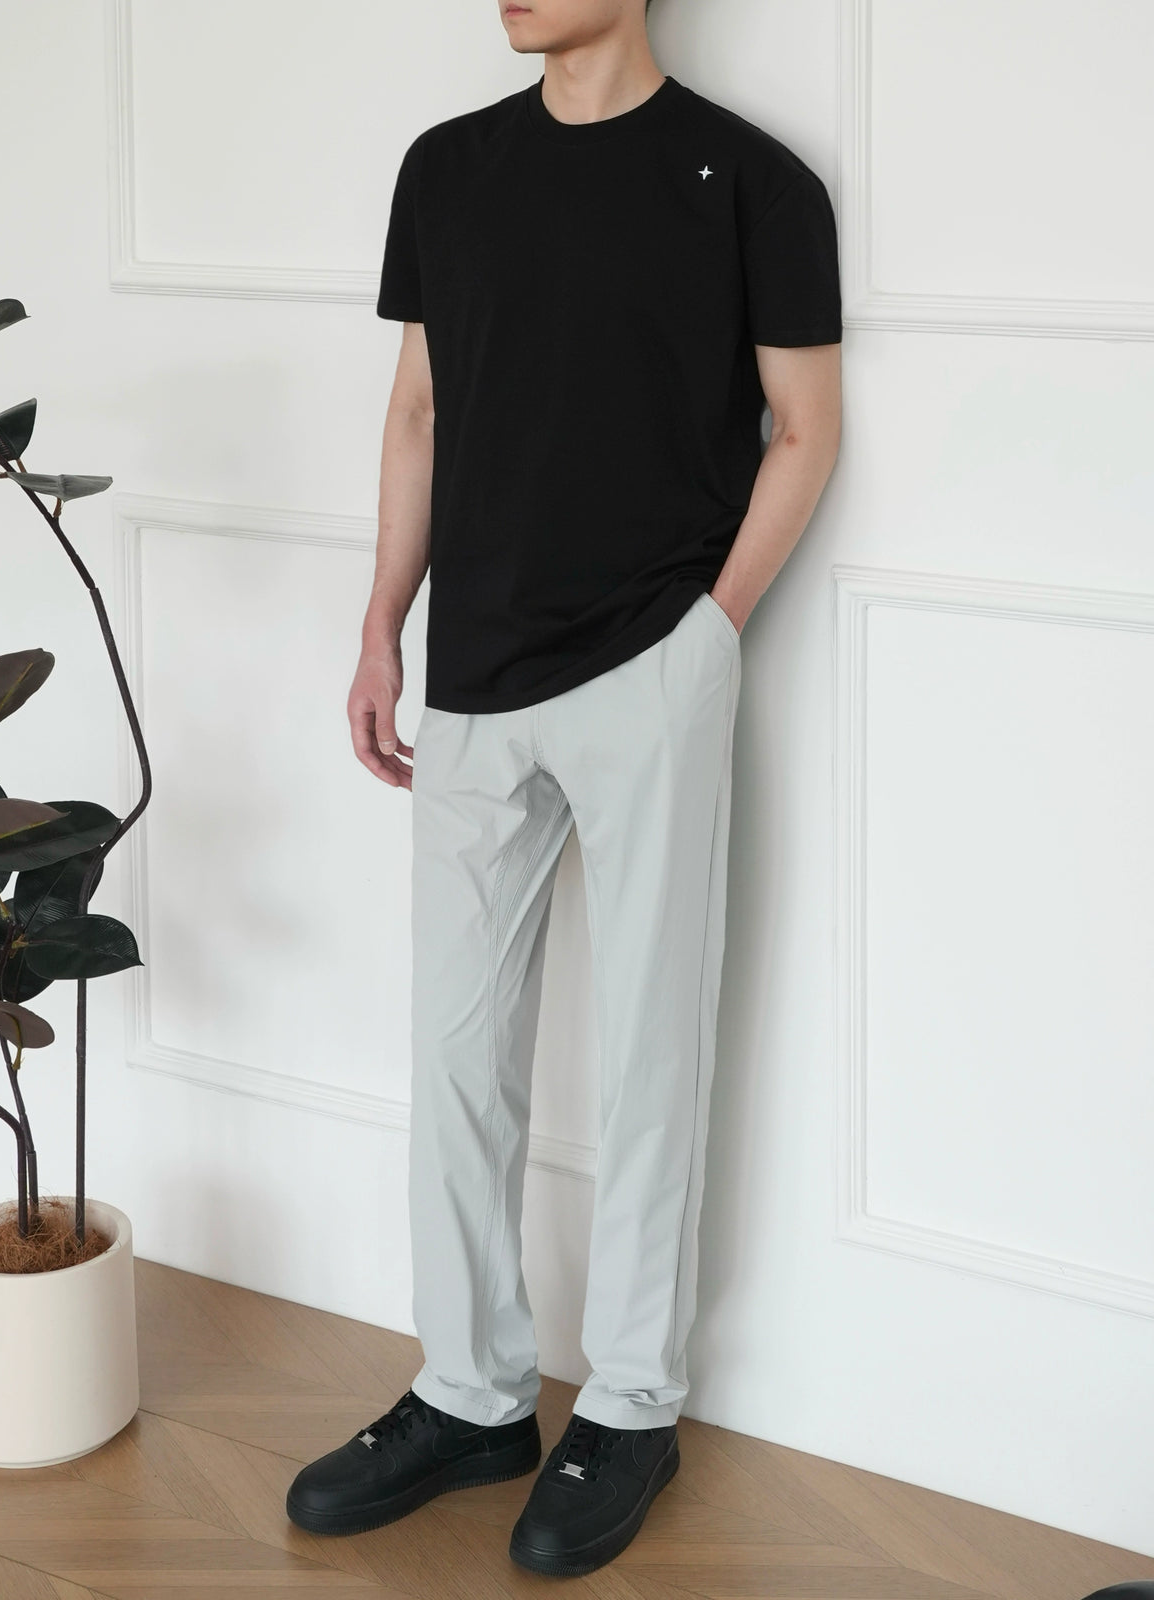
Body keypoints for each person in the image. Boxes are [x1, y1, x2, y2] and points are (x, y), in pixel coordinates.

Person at [286, 0, 842, 1577]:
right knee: (456, 1056)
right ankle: (470, 1395)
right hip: (471, 676)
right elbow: (419, 409)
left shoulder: (752, 183)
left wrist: (709, 635)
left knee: (651, 1053)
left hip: (652, 665)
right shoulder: (448, 170)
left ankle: (635, 1406)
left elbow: (807, 430)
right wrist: (382, 627)